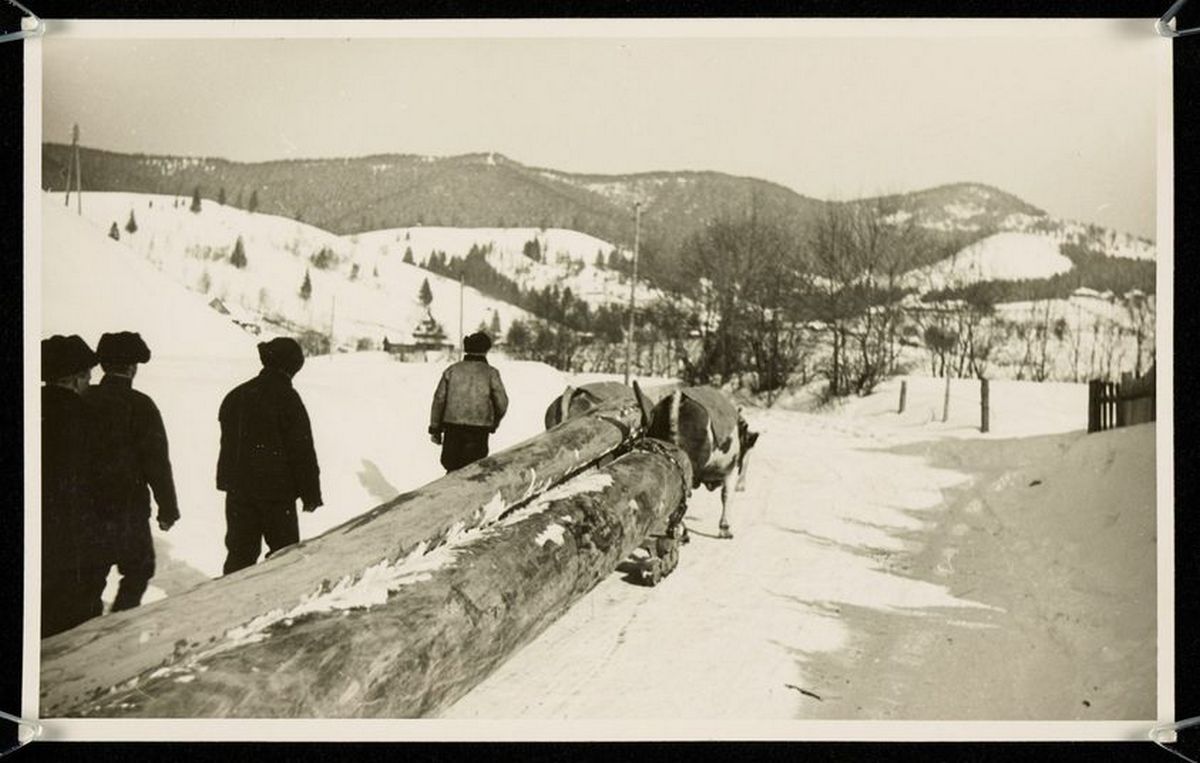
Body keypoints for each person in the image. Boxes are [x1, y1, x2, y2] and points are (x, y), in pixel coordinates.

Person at [85, 331, 179, 612]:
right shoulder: (141, 405)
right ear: (132, 367)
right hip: (128, 507)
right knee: (138, 569)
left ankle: (80, 633)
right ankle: (118, 623)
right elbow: (157, 463)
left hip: (86, 507)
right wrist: (168, 509)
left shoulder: (82, 398)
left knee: (89, 578)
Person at [217, 337, 322, 575]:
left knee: (239, 556)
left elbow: (228, 444)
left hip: (238, 492)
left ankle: (231, 604)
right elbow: (301, 450)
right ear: (290, 367)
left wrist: (228, 481)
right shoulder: (288, 398)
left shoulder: (236, 395)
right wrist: (310, 493)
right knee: (283, 557)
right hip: (277, 494)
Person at [40, 334, 106, 637]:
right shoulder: (87, 417)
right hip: (76, 543)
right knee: (74, 625)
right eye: (88, 377)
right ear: (77, 379)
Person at [429, 331, 509, 472]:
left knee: (451, 467)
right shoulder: (491, 373)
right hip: (478, 430)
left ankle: (448, 493)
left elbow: (439, 400)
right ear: (486, 350)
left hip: (452, 428)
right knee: (473, 470)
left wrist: (435, 429)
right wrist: (493, 421)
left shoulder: (452, 370)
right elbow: (502, 402)